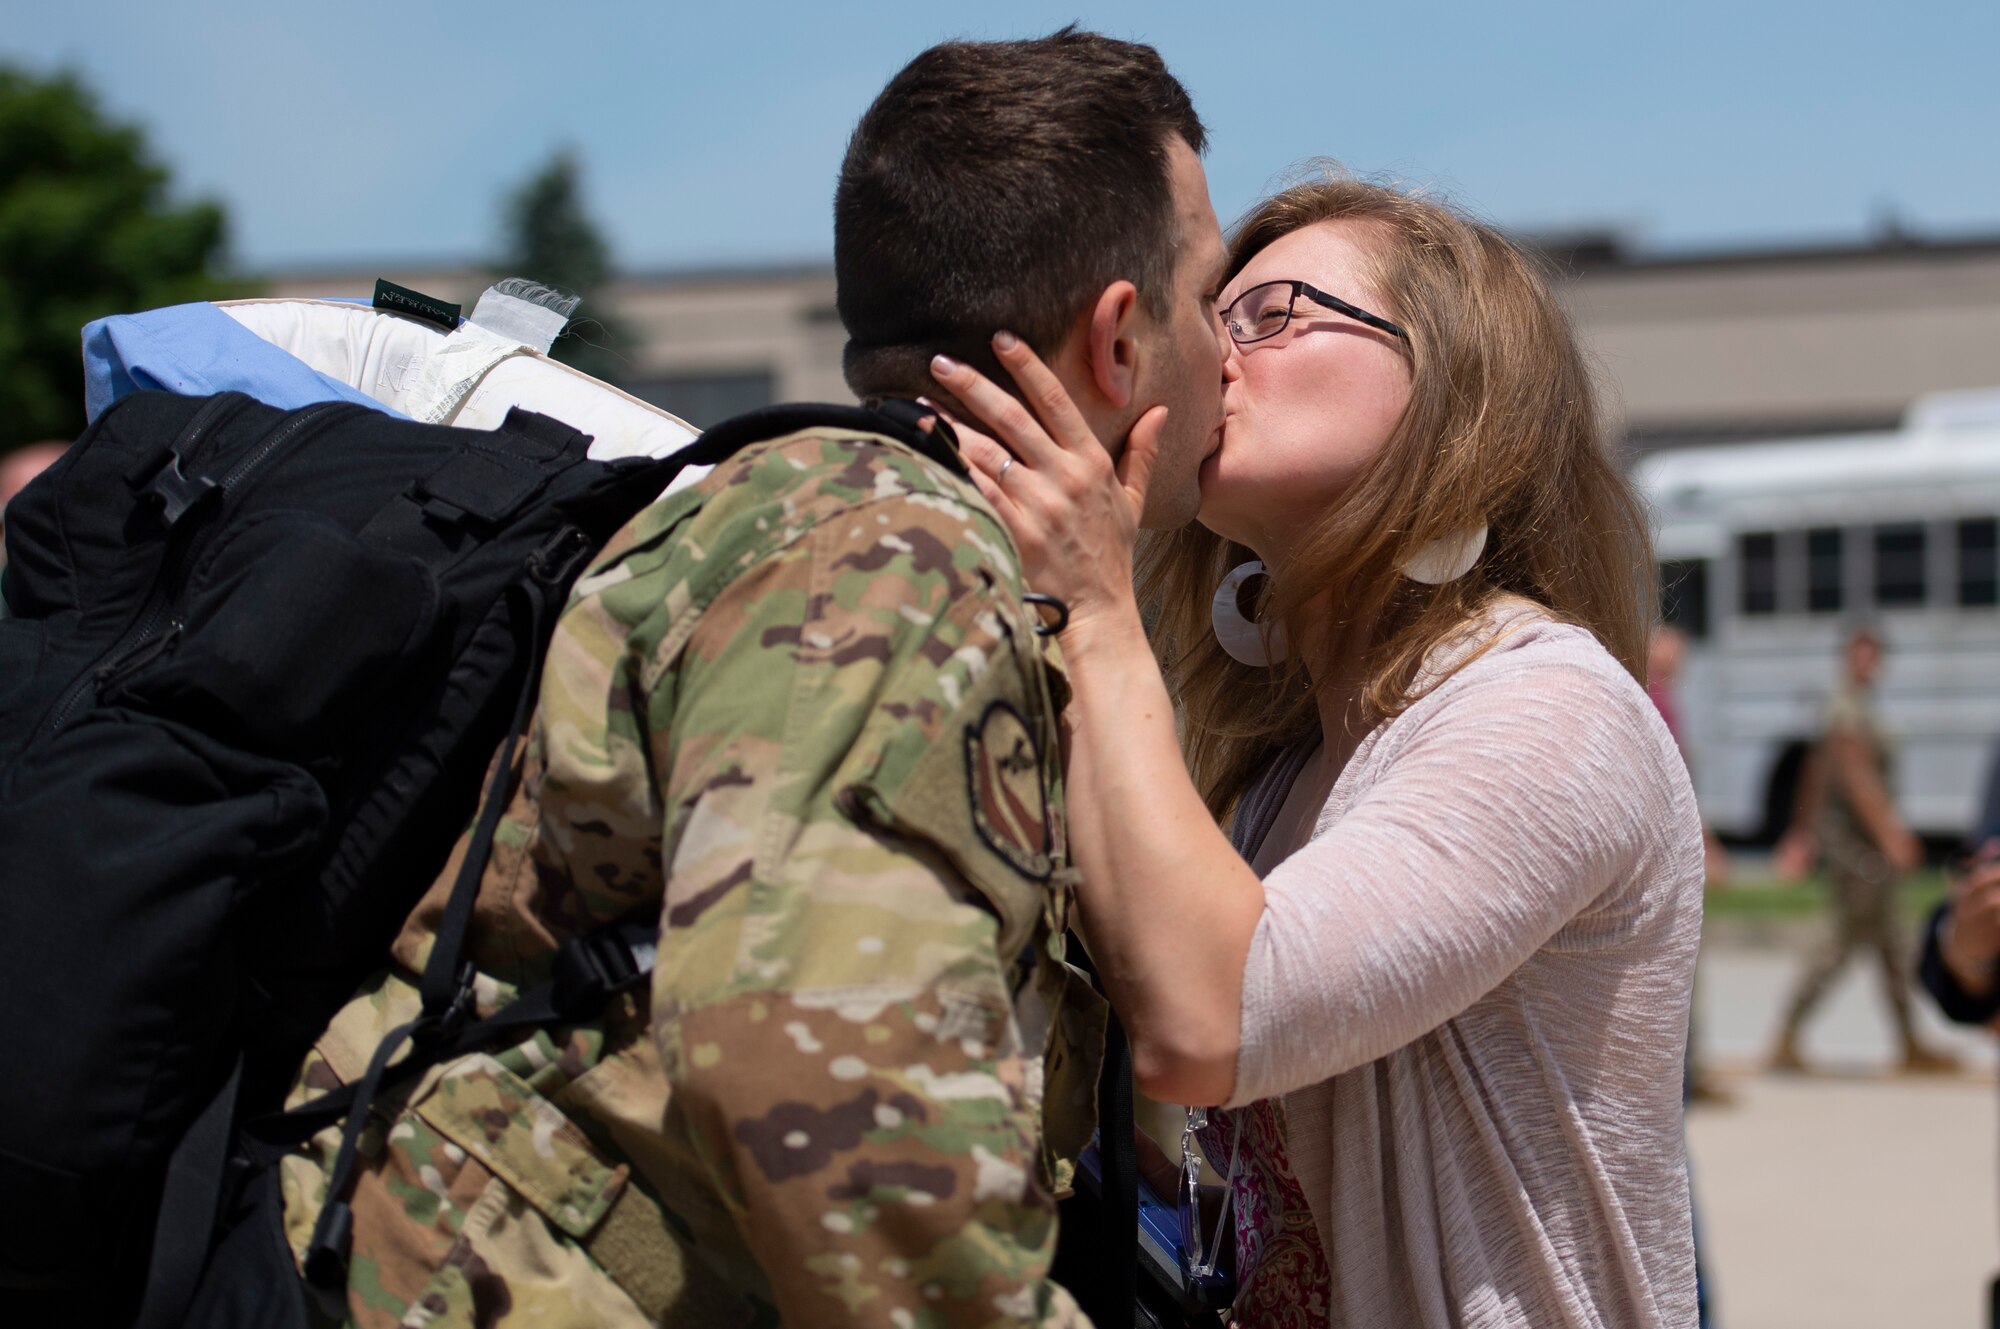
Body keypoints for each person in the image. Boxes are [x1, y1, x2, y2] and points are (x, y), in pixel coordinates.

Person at [278, 28, 1228, 1327]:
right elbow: (825, 1090)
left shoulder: (818, 510)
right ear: (1122, 338)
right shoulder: (891, 560)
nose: (1229, 353)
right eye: (1214, 300)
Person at [931, 175, 1705, 1326]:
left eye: (1273, 312)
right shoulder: (1299, 753)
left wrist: (1091, 610)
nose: (1211, 356)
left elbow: (1212, 1021)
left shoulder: (1544, 708)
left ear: (1453, 381)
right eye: (1203, 317)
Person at [1770, 625, 1958, 1073]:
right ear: (1847, 659)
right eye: (1861, 654)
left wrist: (1801, 830)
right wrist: (1891, 834)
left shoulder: (1853, 709)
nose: (1868, 664)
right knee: (1840, 942)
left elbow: (1815, 774)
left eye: (1874, 656)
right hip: (1857, 851)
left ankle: (1910, 1041)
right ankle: (1787, 1035)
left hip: (1864, 849)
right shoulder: (1847, 711)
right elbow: (1856, 781)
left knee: (1892, 944)